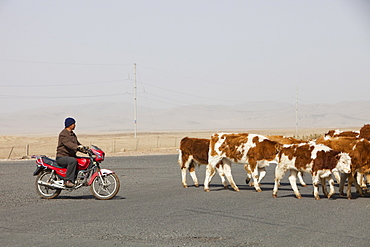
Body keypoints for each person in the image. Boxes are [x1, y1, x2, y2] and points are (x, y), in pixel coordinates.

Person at [56, 117, 86, 188]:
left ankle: (80, 178)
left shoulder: (72, 134)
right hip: (62, 157)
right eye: (73, 124)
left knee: (83, 160)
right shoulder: (63, 134)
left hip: (70, 156)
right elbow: (69, 144)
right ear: (69, 125)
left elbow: (77, 144)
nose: (75, 125)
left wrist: (86, 150)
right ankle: (68, 180)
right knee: (72, 161)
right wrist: (77, 147)